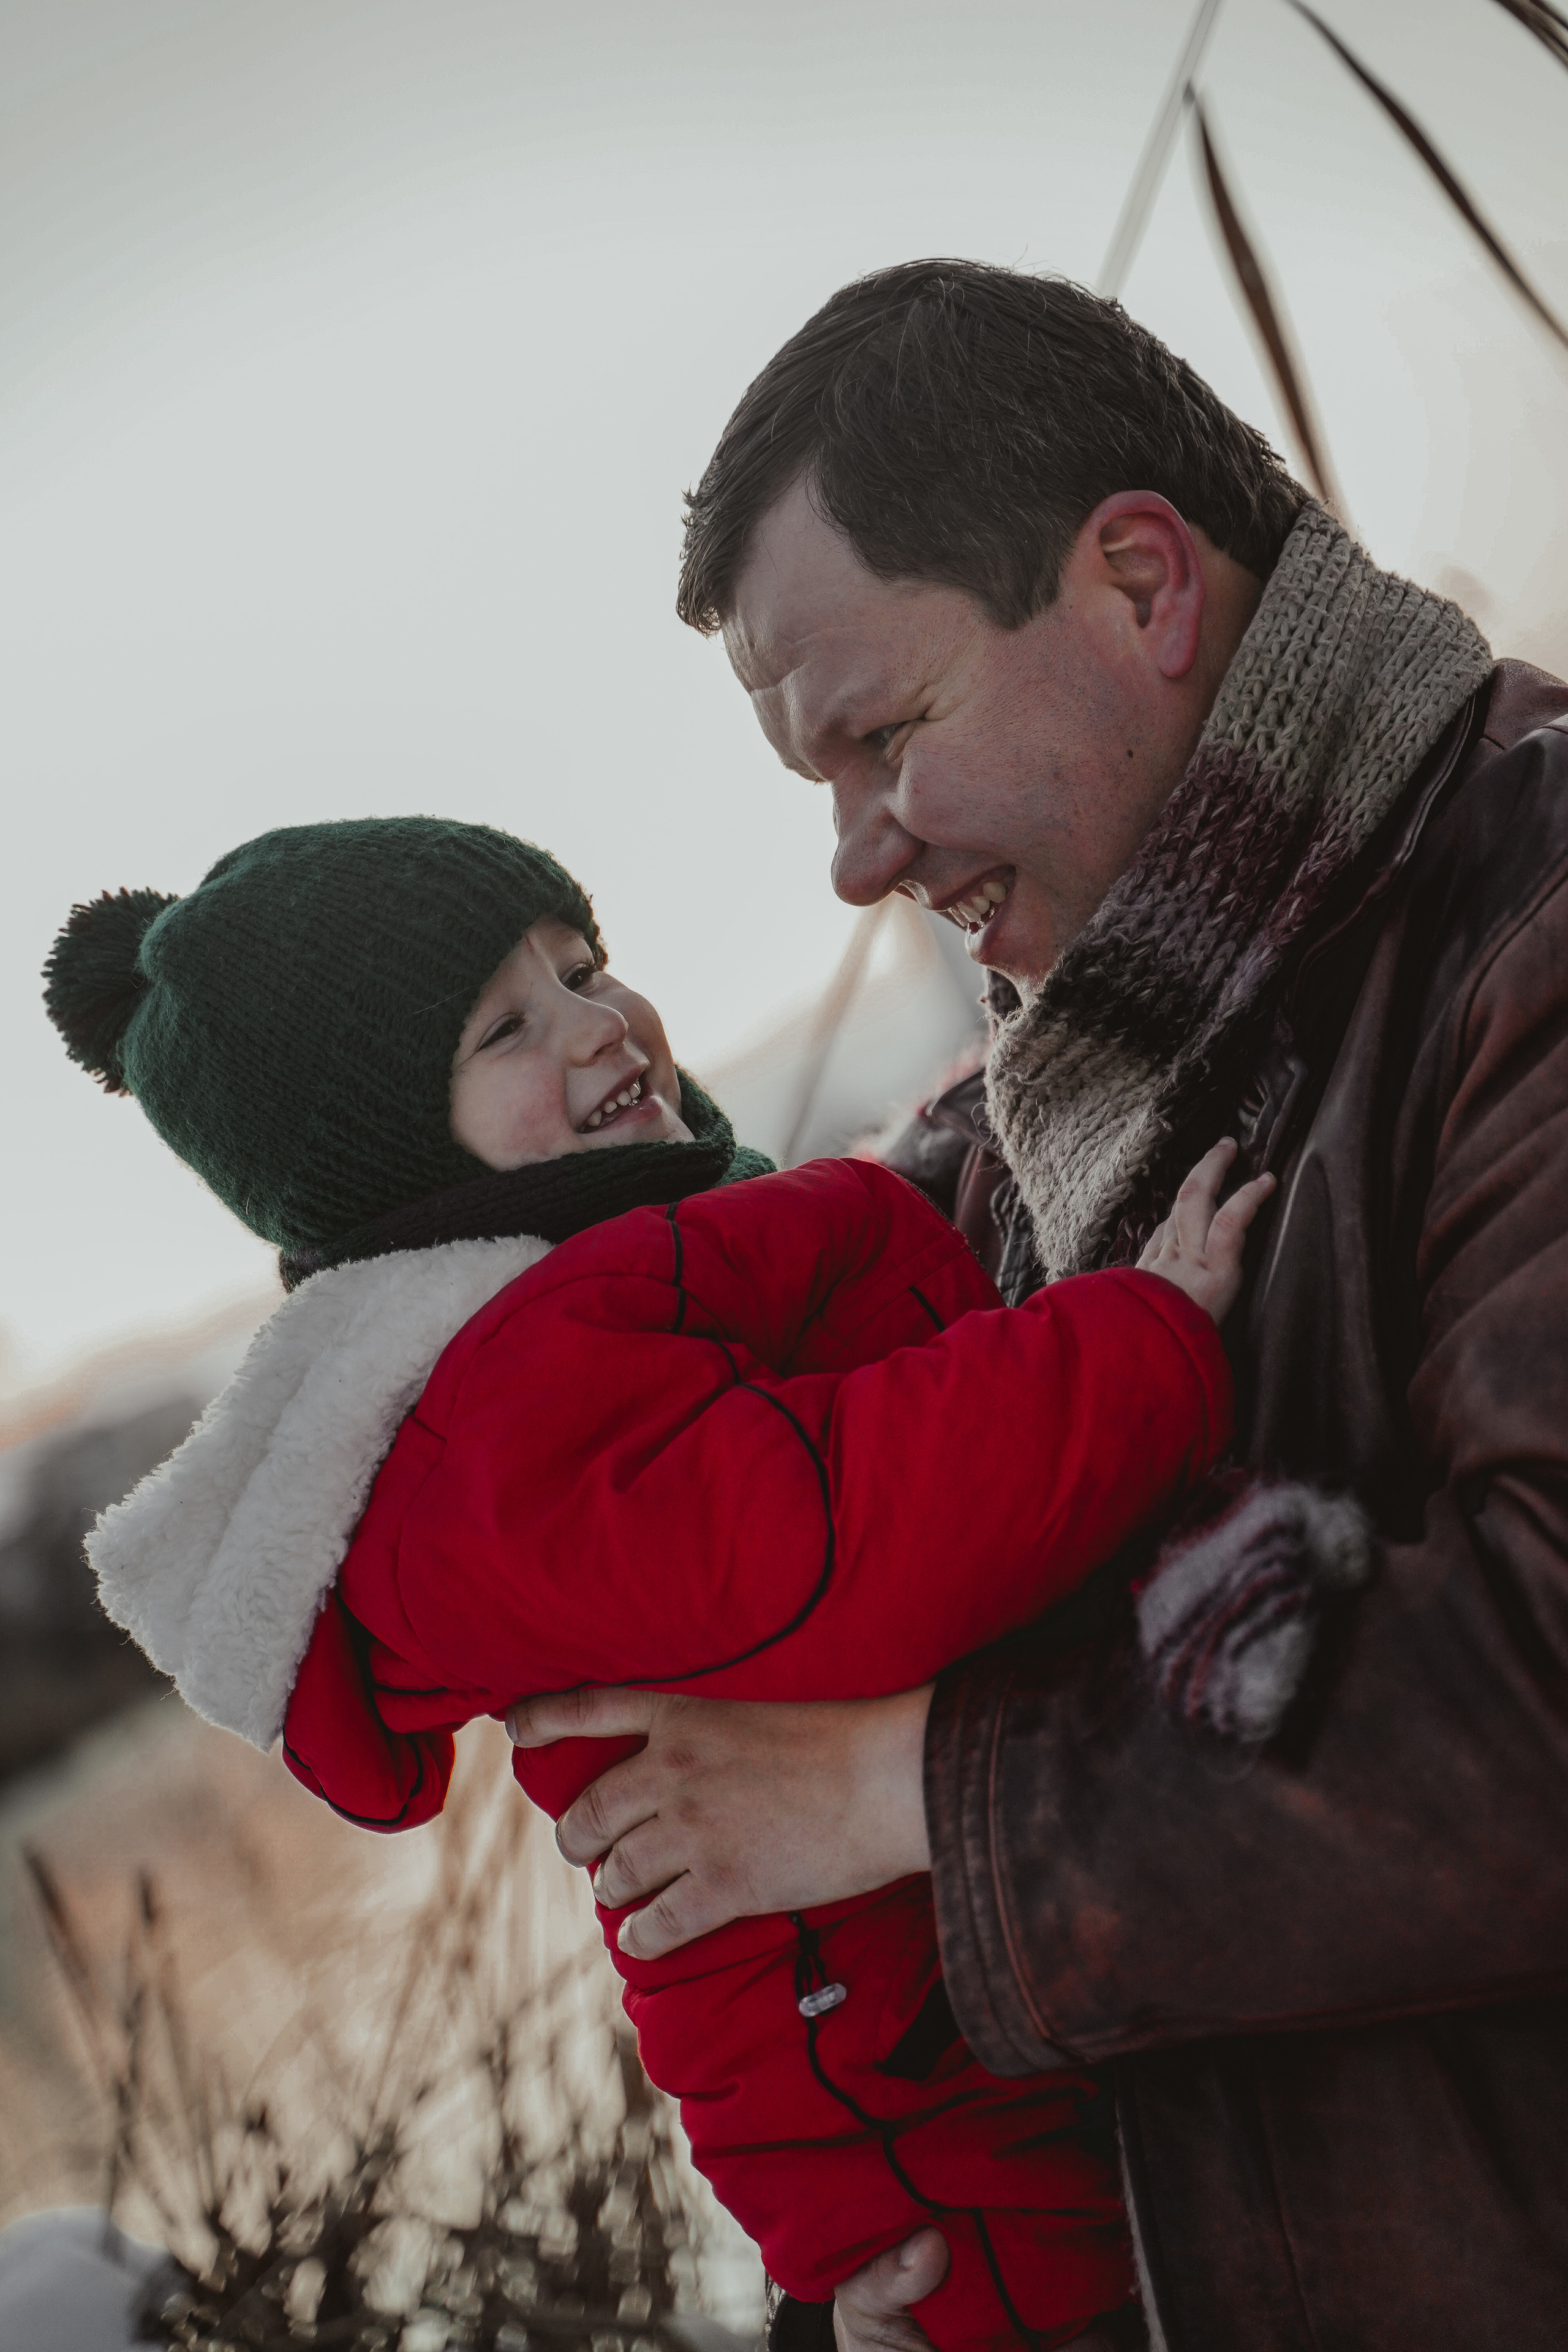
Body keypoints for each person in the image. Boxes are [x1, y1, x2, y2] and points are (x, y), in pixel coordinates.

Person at [505, 262, 1568, 2352]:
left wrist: (900, 1792)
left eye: (886, 739)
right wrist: (891, 2268)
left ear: (1141, 584)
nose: (854, 859)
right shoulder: (1033, 1136)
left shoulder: (1531, 932)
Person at [45, 816, 1274, 2352]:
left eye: (583, 964)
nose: (596, 1023)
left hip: (965, 1984)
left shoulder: (620, 1283)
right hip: (924, 2107)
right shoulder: (504, 1418)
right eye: (504, 1028)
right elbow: (842, 1535)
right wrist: (1137, 1341)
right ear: (385, 1153)